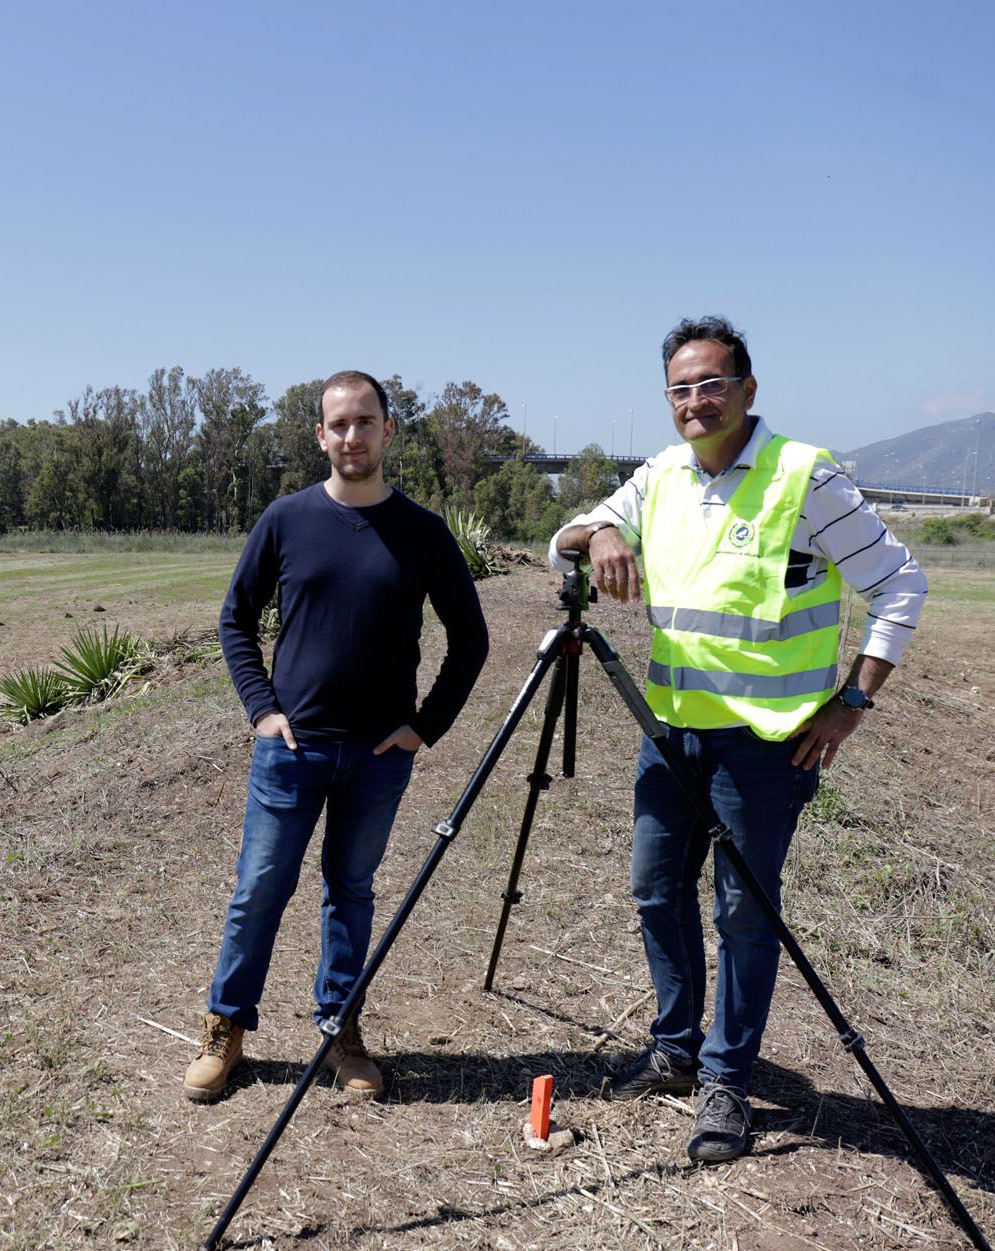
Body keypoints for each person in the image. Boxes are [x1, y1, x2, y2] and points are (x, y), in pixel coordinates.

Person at [549, 316, 927, 1162]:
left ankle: (726, 1080)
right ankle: (676, 1049)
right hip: (670, 735)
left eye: (711, 383)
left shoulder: (806, 476)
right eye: (680, 388)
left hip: (766, 748)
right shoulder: (661, 478)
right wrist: (603, 530)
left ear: (748, 390)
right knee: (655, 891)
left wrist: (854, 703)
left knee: (744, 915)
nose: (695, 401)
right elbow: (561, 541)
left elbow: (901, 586)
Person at [183, 370, 489, 1103]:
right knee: (260, 888)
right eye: (338, 424)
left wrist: (424, 726)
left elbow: (471, 639)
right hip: (292, 749)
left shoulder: (422, 532)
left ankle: (339, 1029)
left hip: (379, 758)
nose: (352, 436)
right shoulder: (286, 520)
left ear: (388, 431)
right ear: (320, 435)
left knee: (350, 891)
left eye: (365, 422)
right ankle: (226, 1028)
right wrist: (262, 709)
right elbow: (235, 619)